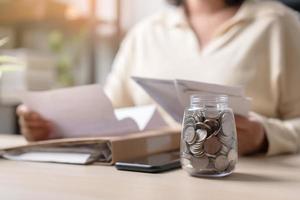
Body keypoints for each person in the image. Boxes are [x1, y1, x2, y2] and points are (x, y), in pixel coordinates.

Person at [17, 0, 300, 156]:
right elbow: (108, 114)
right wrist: (52, 128)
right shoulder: (146, 32)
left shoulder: (277, 25)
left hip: (240, 180)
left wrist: (265, 137)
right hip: (148, 178)